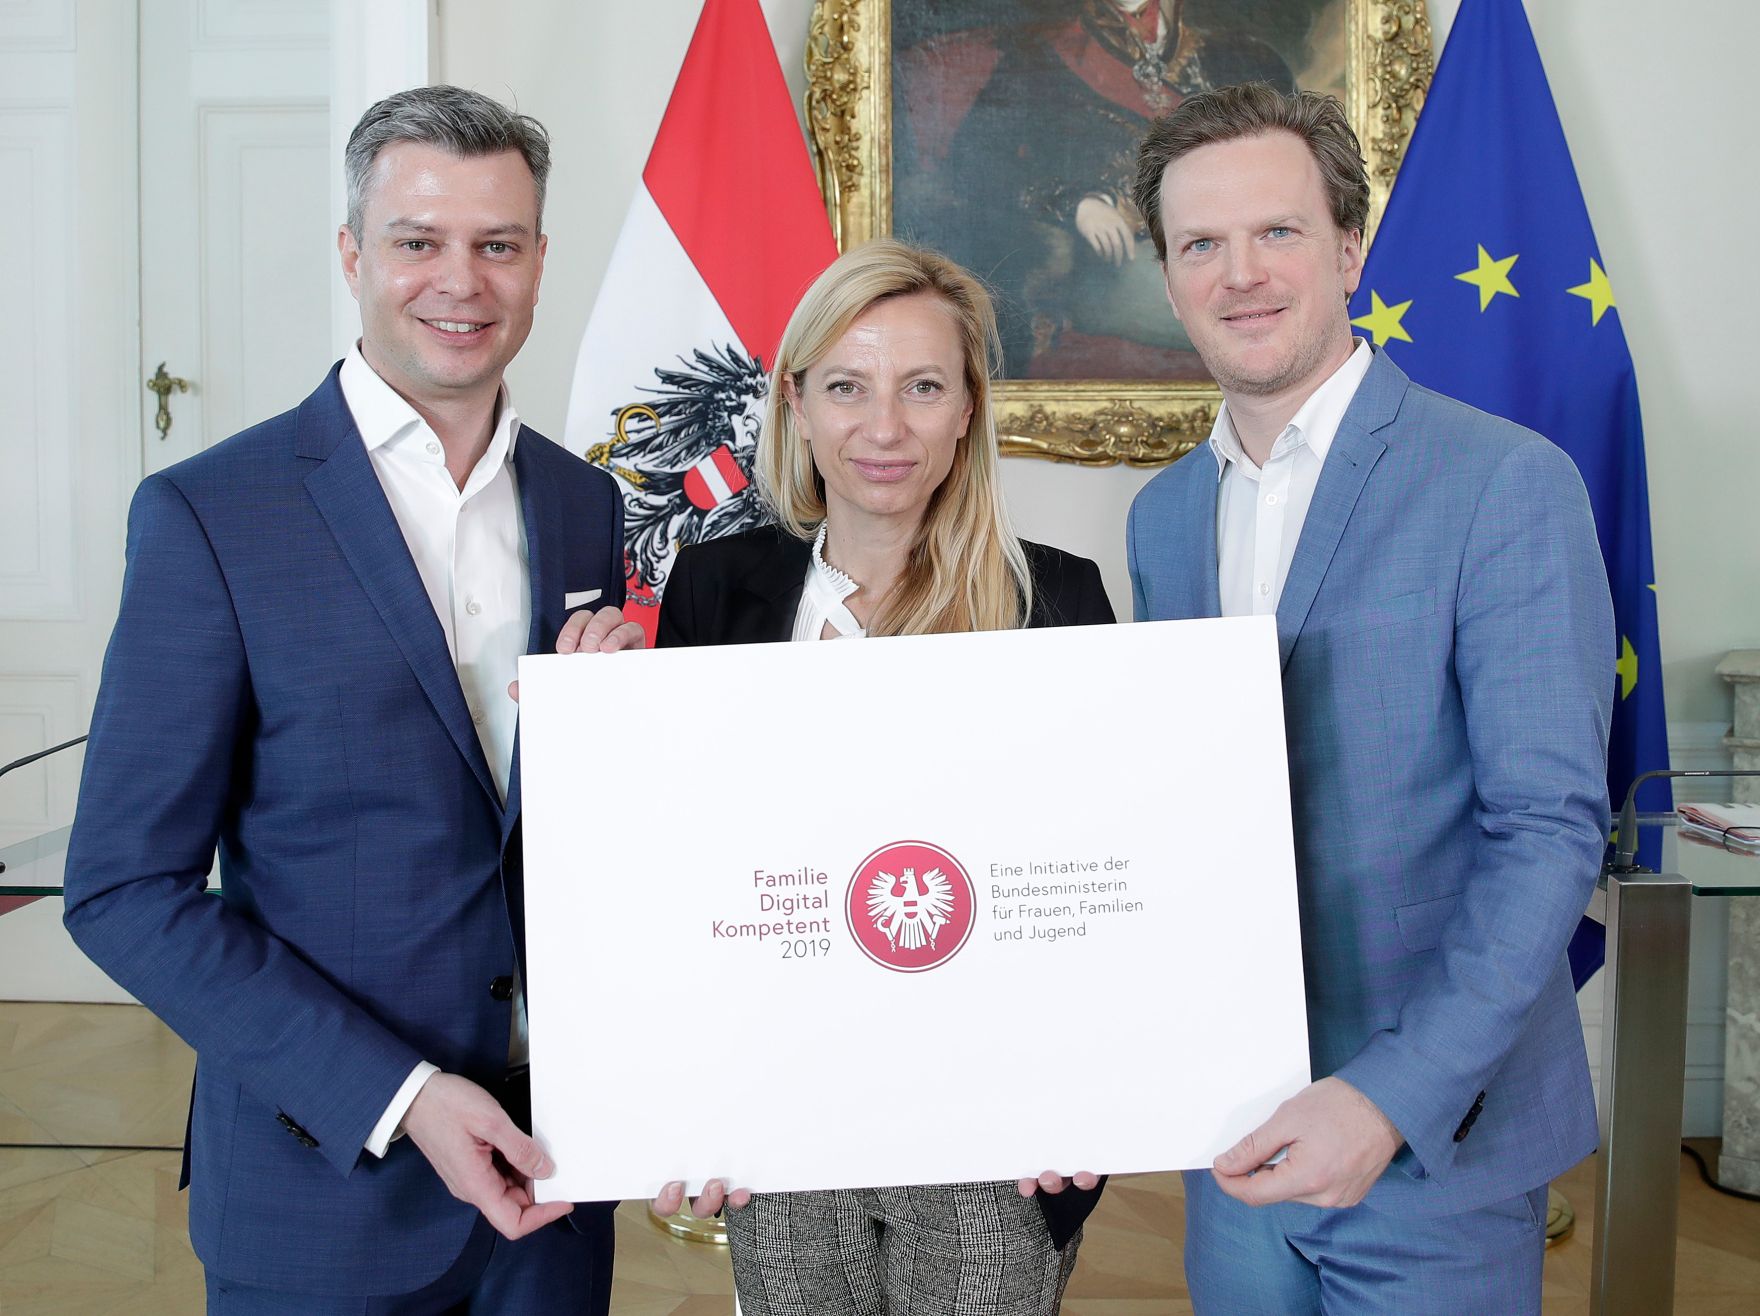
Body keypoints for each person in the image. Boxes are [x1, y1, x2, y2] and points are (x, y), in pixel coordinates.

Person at [62, 86, 640, 1313]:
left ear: (539, 260)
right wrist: (400, 1095)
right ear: (350, 254)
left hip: (556, 1185)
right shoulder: (210, 515)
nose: (460, 282)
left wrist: (616, 739)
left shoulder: (584, 504)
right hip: (322, 1185)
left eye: (497, 244)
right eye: (417, 240)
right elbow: (121, 886)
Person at [1124, 84, 1613, 1312]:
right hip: (1231, 1136)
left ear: (1348, 244)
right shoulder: (1162, 514)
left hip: (1435, 1146)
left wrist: (1388, 1097)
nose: (1240, 273)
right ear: (1168, 275)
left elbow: (1546, 831)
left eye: (1277, 232)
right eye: (1201, 244)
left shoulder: (1505, 483)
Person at [650, 237, 1111, 1315]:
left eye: (921, 387)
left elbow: (1096, 883)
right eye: (848, 388)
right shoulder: (715, 591)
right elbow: (677, 867)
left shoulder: (1056, 599)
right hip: (783, 1115)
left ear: (966, 411)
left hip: (992, 1134)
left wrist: (1098, 1089)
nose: (884, 427)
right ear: (796, 405)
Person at [896, 0, 1294, 377]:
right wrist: (1076, 202)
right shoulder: (1040, 57)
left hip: (1230, 252)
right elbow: (980, 167)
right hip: (1112, 263)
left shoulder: (1241, 56)